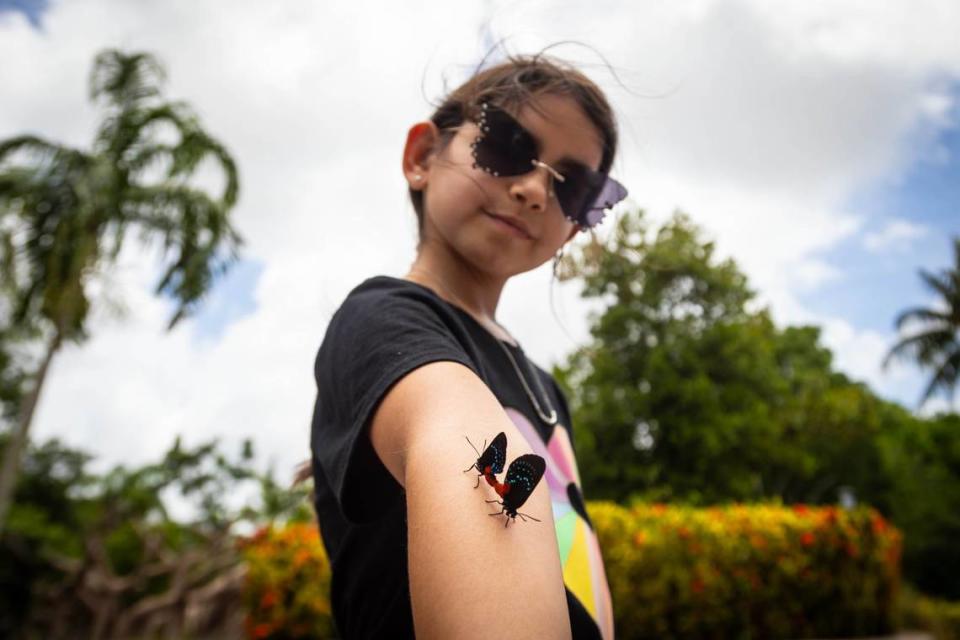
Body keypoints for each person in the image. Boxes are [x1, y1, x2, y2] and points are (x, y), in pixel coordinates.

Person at [309, 53, 628, 639]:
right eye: (507, 146)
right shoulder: (382, 320)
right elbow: (453, 435)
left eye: (574, 186)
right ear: (422, 158)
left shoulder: (544, 385)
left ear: (577, 223)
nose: (534, 189)